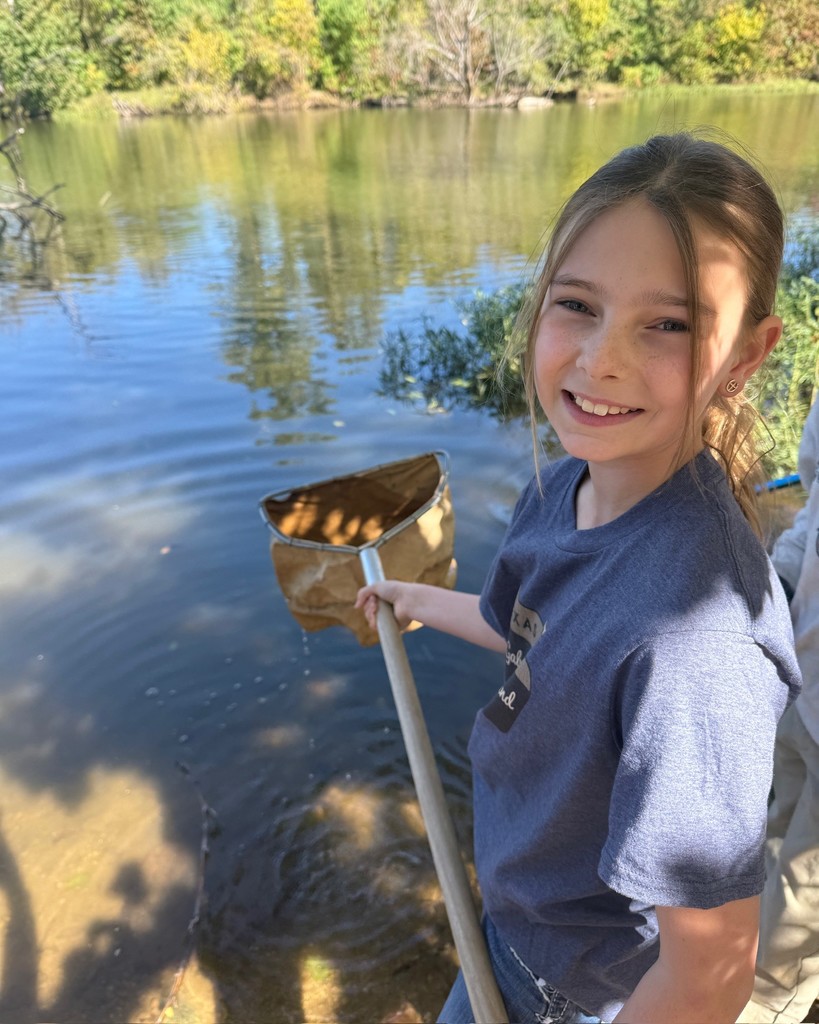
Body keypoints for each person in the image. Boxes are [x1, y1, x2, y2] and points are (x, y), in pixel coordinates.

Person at [356, 132, 801, 1024]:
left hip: (577, 995)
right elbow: (526, 629)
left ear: (746, 356)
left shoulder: (697, 648)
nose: (600, 360)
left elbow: (707, 972)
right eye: (577, 305)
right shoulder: (565, 482)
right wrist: (415, 602)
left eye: (667, 324)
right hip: (512, 930)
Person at [739, 396, 819, 1024]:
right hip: (798, 674)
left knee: (801, 900)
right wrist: (773, 590)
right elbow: (814, 504)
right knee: (762, 841)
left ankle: (764, 1008)